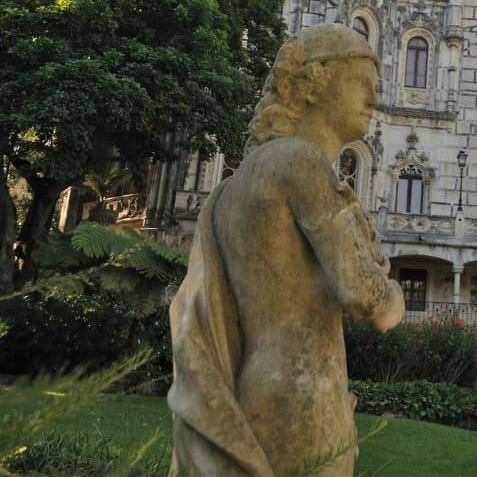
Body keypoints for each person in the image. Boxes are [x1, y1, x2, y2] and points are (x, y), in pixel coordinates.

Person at [169, 24, 405, 476]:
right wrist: (393, 292)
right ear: (317, 82)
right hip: (305, 394)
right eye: (363, 85)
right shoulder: (301, 163)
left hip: (252, 388)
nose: (374, 100)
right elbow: (364, 297)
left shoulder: (238, 182)